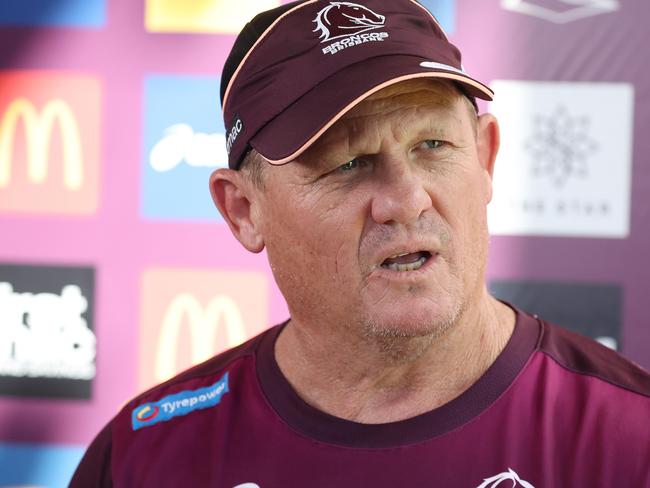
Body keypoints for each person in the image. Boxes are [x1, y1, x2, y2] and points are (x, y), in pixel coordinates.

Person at [71, 1, 650, 486]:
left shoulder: (629, 436)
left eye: (433, 146)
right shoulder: (145, 458)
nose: (406, 200)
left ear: (485, 156)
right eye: (349, 163)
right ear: (244, 210)